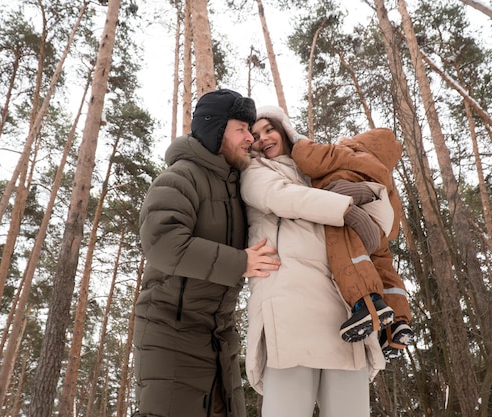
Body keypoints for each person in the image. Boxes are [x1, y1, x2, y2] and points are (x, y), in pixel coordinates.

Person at [132, 89, 280, 417]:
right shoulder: (180, 177)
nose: (249, 138)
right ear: (215, 129)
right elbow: (163, 242)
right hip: (171, 330)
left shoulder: (237, 186)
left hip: (220, 336)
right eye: (240, 129)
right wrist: (241, 262)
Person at [240, 105, 387, 417]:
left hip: (344, 311)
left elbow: (382, 228)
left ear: (285, 131)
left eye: (269, 130)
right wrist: (345, 208)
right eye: (255, 136)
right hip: (289, 307)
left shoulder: (319, 174)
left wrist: (368, 193)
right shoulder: (255, 174)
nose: (263, 139)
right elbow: (284, 198)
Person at [288, 114, 414, 361]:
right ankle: (397, 324)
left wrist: (296, 139)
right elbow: (393, 229)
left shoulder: (348, 152)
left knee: (341, 236)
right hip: (377, 227)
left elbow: (309, 159)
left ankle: (367, 303)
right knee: (385, 266)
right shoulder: (386, 175)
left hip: (346, 197)